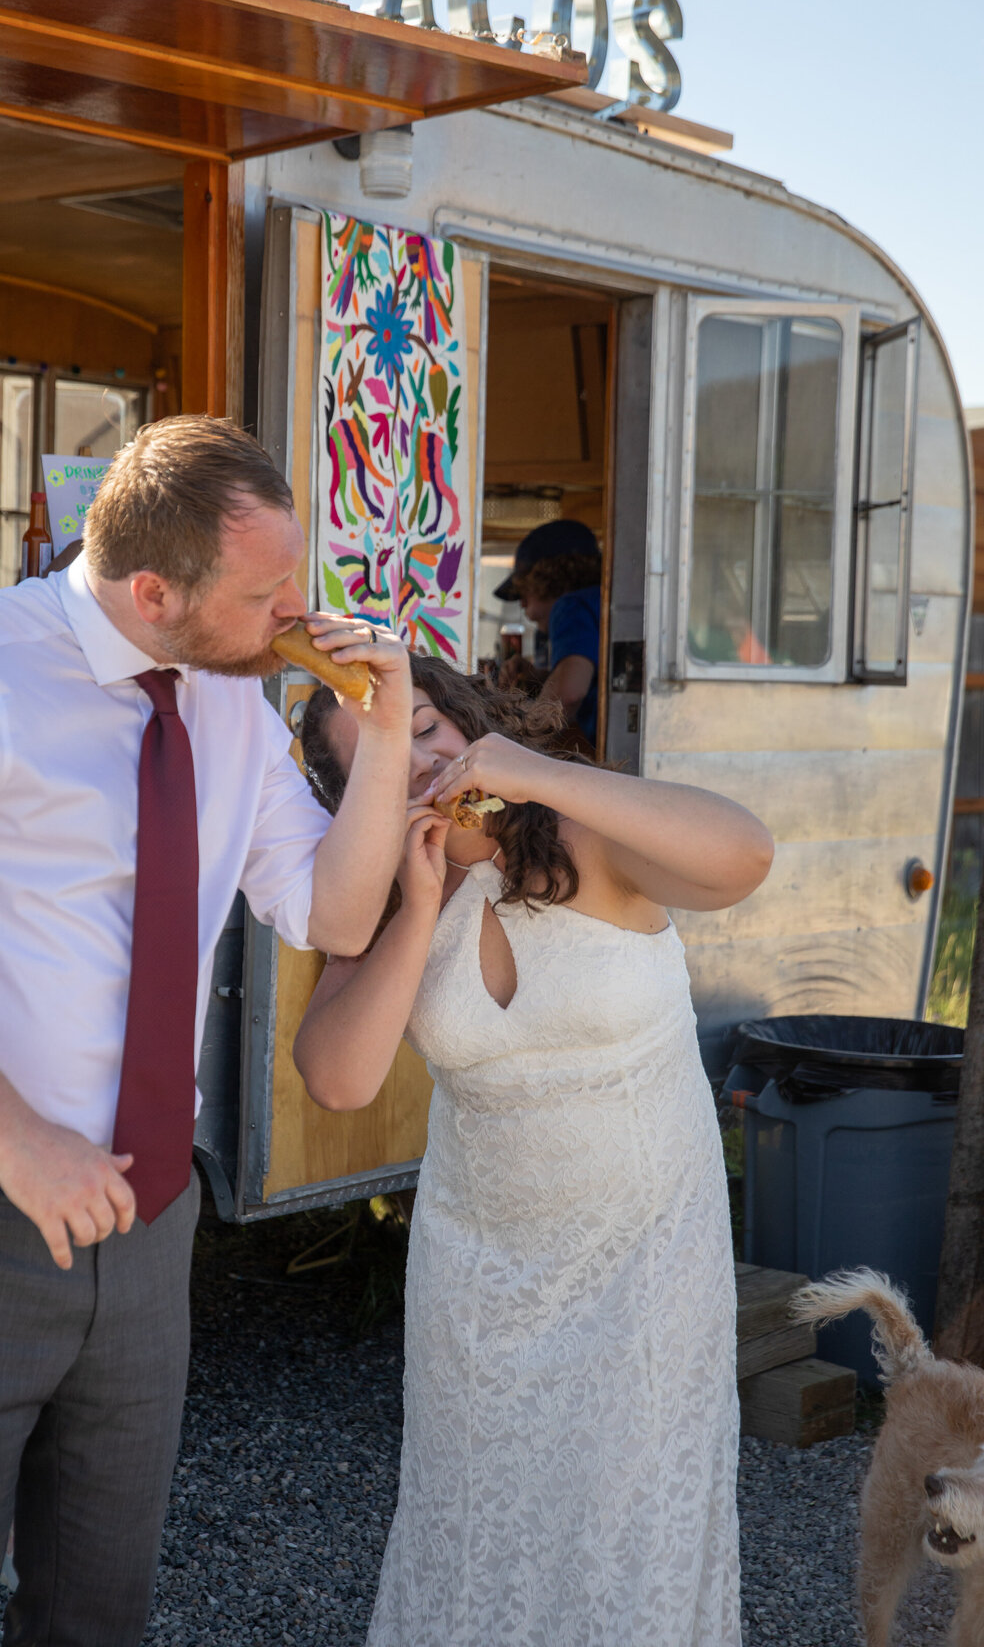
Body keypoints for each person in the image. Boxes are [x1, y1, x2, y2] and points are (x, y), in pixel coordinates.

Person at [0, 416, 414, 1647]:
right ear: (152, 592)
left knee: (99, 1610)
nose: (298, 611)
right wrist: (21, 1140)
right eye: (265, 592)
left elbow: (334, 916)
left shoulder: (230, 696)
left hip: (146, 1222)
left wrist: (388, 731)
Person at [295, 654, 774, 1646]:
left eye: (421, 724)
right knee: (476, 1542)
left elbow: (745, 856)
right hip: (479, 1290)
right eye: (378, 755)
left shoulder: (580, 832)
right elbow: (339, 1079)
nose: (415, 755)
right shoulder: (380, 902)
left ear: (465, 719)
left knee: (633, 1538)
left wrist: (533, 770)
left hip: (647, 1270)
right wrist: (422, 904)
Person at [493, 518, 602, 744]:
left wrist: (518, 742)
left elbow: (570, 693)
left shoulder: (571, 606)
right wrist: (536, 675)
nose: (522, 605)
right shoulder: (599, 602)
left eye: (524, 592)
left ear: (548, 579)